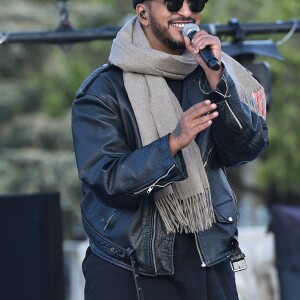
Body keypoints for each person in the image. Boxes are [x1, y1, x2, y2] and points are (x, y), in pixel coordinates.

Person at [71, 0, 269, 299]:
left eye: (196, 2)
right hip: (129, 266)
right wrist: (173, 143)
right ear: (142, 13)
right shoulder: (102, 91)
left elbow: (246, 148)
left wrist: (219, 82)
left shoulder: (213, 74)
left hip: (208, 257)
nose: (187, 12)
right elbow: (108, 180)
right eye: (174, 3)